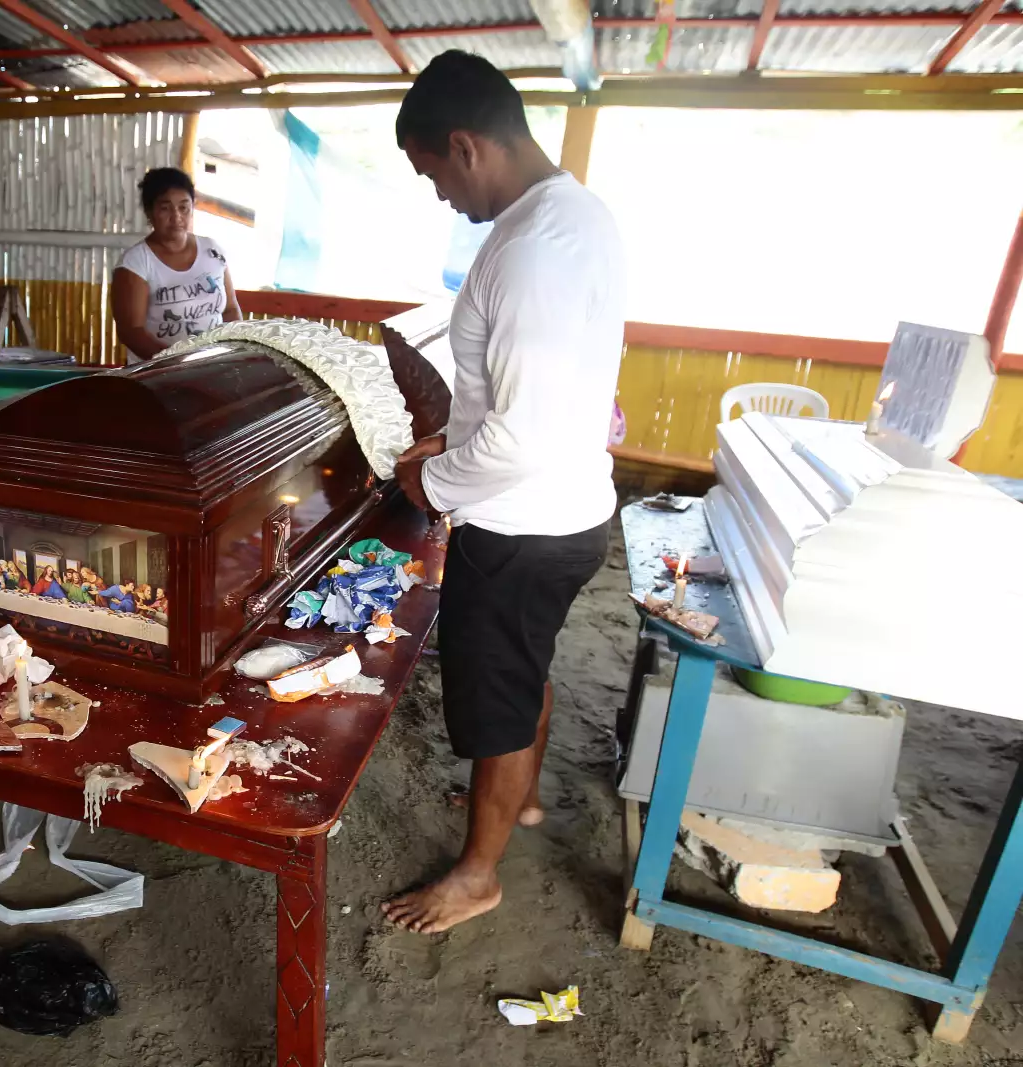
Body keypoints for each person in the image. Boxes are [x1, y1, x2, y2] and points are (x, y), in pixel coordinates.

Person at [380, 52, 624, 936]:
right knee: (524, 672)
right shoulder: (578, 215)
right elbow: (544, 399)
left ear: (464, 145)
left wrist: (431, 478)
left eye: (433, 173)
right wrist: (457, 434)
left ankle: (477, 874)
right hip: (571, 510)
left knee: (493, 706)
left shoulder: (527, 251)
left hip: (522, 525)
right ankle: (513, 803)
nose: (440, 194)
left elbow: (521, 438)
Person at [111, 167, 242, 362]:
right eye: (165, 208)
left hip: (213, 366)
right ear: (149, 211)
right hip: (158, 373)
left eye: (183, 207)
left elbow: (230, 309)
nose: (176, 216)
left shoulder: (212, 251)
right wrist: (176, 363)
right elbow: (131, 332)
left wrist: (233, 351)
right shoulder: (136, 263)